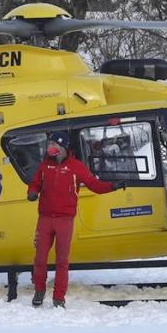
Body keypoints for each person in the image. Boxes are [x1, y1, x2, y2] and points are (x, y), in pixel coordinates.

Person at [27, 131, 126, 308]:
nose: (51, 147)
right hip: (45, 219)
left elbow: (95, 185)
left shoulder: (76, 167)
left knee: (62, 260)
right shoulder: (44, 166)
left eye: (55, 144)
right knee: (40, 258)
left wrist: (113, 186)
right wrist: (32, 192)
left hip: (65, 220)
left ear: (64, 147)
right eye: (50, 144)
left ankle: (59, 297)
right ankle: (39, 290)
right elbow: (35, 183)